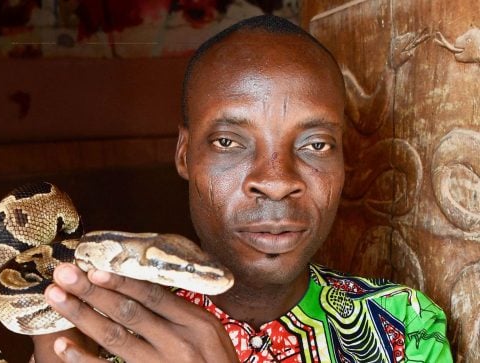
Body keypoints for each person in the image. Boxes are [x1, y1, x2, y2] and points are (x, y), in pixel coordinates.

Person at [31, 15, 452, 362]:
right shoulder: (95, 328)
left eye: (316, 145)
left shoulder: (403, 325)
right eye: (229, 142)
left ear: (344, 161)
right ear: (184, 155)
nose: (276, 181)